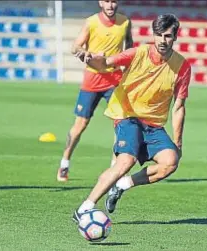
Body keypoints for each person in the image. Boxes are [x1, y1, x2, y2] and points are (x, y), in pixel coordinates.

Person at [72, 13, 192, 221]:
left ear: (175, 37)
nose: (163, 40)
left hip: (153, 125)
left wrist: (178, 142)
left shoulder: (182, 67)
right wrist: (90, 58)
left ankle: (122, 185)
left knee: (170, 162)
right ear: (153, 34)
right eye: (159, 35)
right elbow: (106, 62)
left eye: (168, 36)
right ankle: (85, 207)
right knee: (125, 161)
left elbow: (179, 106)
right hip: (127, 115)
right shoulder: (138, 53)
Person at [57, 0, 133, 182]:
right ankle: (64, 163)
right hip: (93, 79)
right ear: (100, 3)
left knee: (120, 122)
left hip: (114, 79)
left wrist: (127, 66)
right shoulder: (91, 22)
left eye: (114, 1)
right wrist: (85, 54)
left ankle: (115, 166)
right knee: (80, 124)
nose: (110, 5)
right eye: (107, 1)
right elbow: (75, 46)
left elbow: (129, 47)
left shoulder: (125, 22)